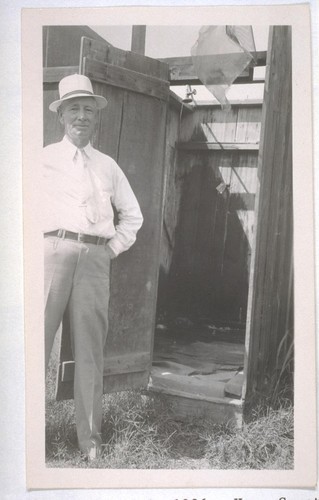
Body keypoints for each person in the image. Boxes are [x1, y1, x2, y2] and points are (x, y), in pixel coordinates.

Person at [43, 74, 143, 460]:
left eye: (88, 109)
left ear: (95, 116)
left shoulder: (108, 166)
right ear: (61, 115)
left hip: (94, 261)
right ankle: (24, 435)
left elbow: (133, 217)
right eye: (74, 108)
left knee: (90, 353)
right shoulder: (43, 159)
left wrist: (109, 250)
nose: (81, 116)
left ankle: (90, 443)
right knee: (33, 345)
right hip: (50, 253)